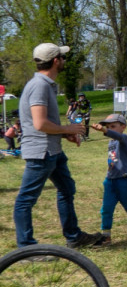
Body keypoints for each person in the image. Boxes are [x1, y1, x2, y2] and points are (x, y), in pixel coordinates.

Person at [13, 43, 102, 249]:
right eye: (62, 58)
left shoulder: (45, 84)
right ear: (56, 61)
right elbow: (40, 123)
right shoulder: (40, 86)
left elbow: (41, 123)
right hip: (41, 152)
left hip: (52, 150)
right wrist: (67, 128)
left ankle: (74, 236)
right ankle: (26, 248)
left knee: (67, 188)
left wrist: (64, 134)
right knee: (26, 199)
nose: (64, 61)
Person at [90, 113, 127, 244]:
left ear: (123, 126)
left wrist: (104, 130)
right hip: (110, 181)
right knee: (106, 208)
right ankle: (106, 236)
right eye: (107, 126)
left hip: (125, 180)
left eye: (113, 126)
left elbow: (116, 135)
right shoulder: (111, 142)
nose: (109, 128)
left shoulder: (125, 139)